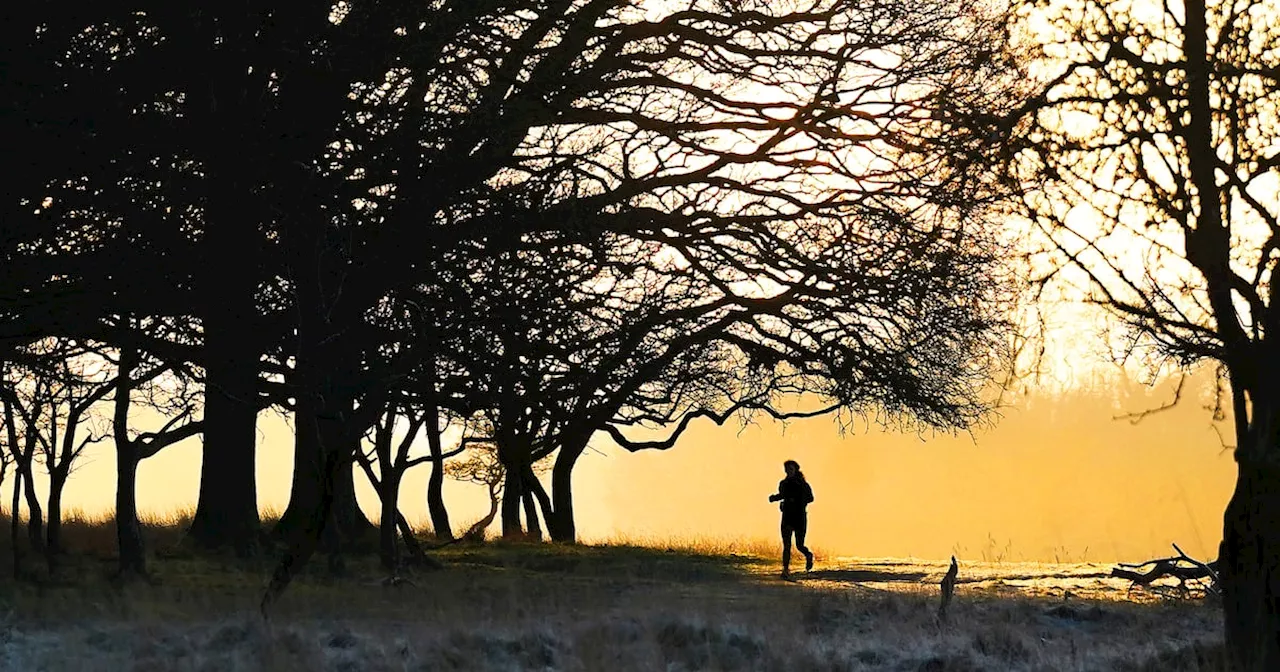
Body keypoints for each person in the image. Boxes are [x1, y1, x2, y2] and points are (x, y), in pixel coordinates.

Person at [768, 459, 814, 578]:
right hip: (787, 517)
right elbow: (783, 495)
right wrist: (774, 498)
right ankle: (785, 569)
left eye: (791, 469)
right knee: (787, 544)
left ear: (795, 470)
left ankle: (808, 555)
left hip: (799, 517)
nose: (788, 471)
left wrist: (797, 501)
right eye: (787, 469)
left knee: (799, 545)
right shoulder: (783, 483)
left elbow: (811, 498)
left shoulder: (803, 485)